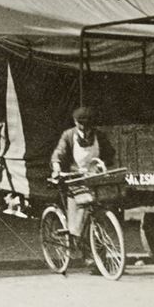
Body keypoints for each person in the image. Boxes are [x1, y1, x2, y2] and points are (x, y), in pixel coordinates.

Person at [50, 106, 116, 259]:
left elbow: (110, 153)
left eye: (88, 124)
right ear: (75, 122)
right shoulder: (68, 135)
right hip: (75, 180)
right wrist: (56, 167)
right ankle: (84, 249)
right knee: (79, 218)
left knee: (98, 216)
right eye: (81, 124)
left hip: (94, 179)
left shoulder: (99, 135)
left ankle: (100, 258)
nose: (85, 128)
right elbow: (58, 153)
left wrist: (102, 164)